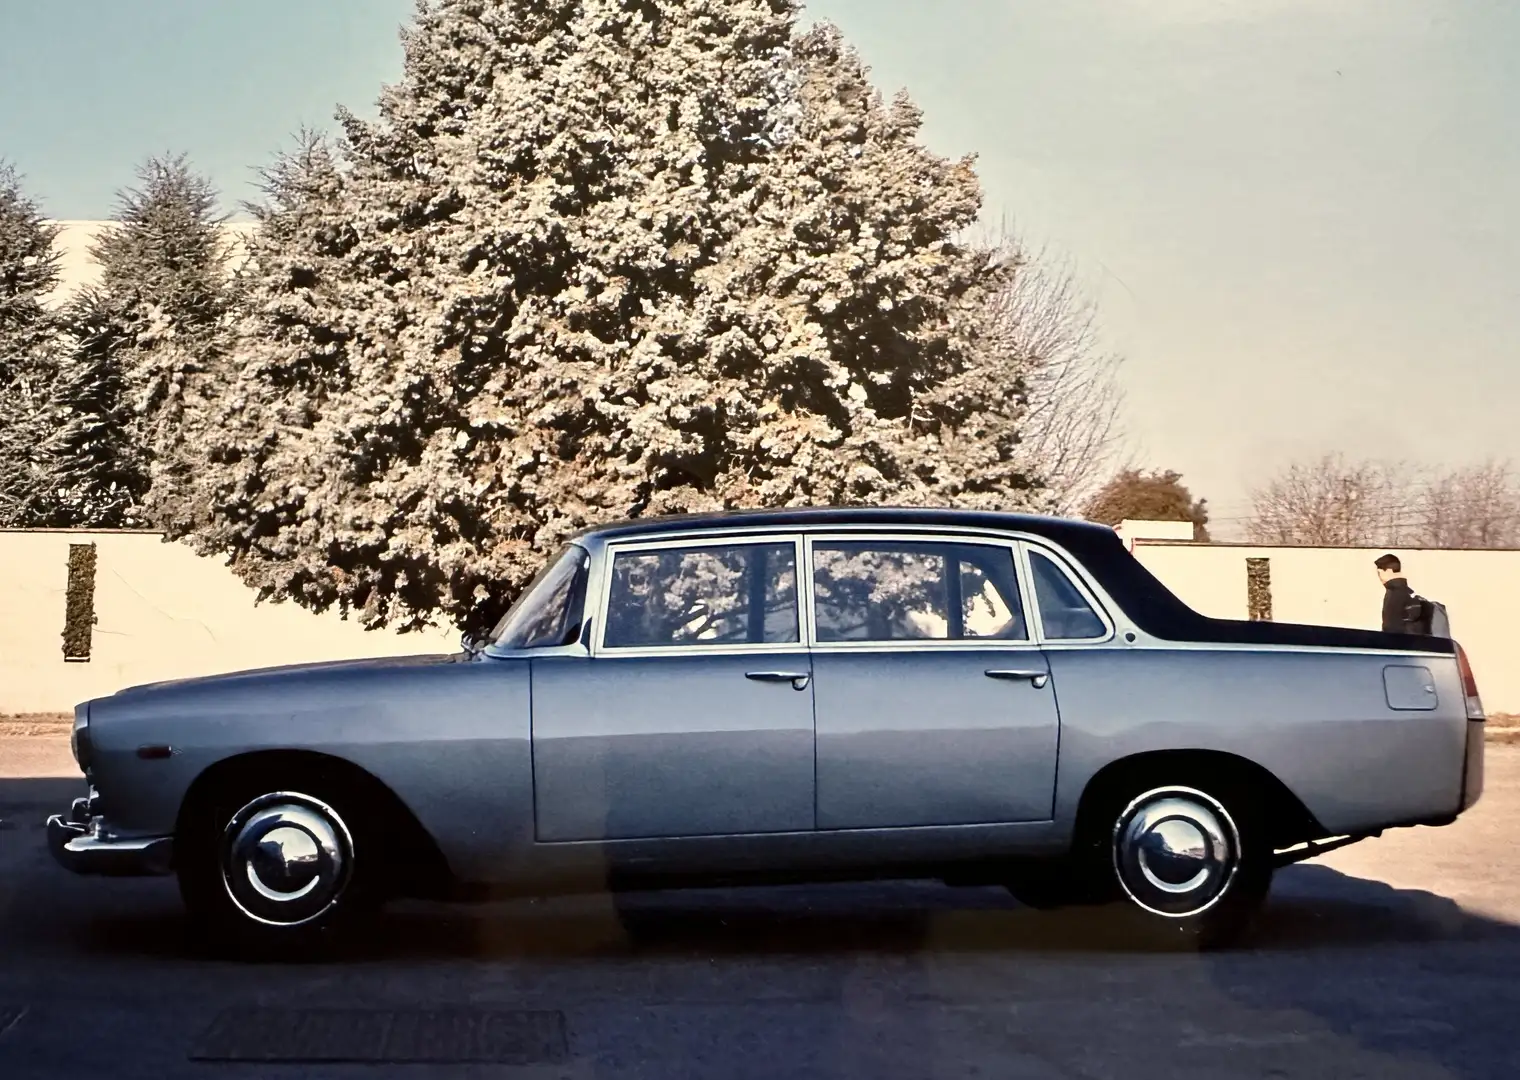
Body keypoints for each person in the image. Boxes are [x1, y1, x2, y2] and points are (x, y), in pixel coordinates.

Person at [1374, 553, 1424, 634]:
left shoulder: (1394, 593)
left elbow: (1391, 628)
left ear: (1389, 571)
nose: (1380, 578)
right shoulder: (1409, 592)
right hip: (1414, 643)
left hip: (1400, 644)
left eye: (1379, 573)